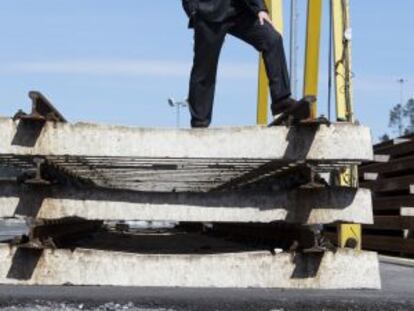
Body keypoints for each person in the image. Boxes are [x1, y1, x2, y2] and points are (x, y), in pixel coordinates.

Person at [182, 0, 311, 128]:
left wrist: (261, 9)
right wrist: (192, 10)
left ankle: (281, 101)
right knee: (205, 68)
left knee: (272, 39)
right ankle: (199, 122)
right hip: (208, 12)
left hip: (240, 9)